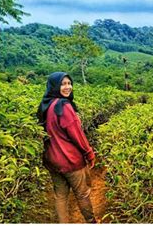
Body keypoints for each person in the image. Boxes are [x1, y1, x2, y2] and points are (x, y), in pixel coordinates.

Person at [37, 72, 97, 223]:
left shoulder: (45, 105)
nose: (68, 87)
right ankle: (92, 222)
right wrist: (89, 153)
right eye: (63, 84)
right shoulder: (63, 106)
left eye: (69, 83)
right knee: (82, 194)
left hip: (52, 160)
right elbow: (77, 134)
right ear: (55, 86)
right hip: (70, 160)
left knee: (60, 196)